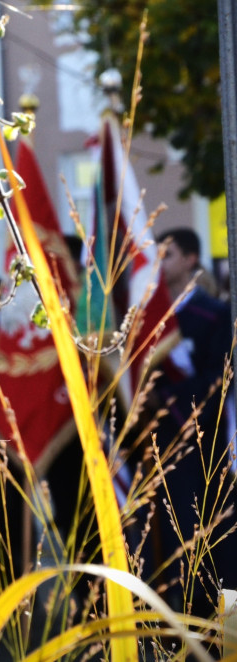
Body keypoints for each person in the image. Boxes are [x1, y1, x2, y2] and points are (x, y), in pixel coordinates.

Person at [147, 227, 235, 615]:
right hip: (166, 448)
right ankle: (193, 641)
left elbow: (219, 379)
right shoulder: (149, 318)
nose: (158, 262)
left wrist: (165, 398)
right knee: (180, 548)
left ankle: (228, 641)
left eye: (167, 254)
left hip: (210, 446)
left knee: (222, 550)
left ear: (190, 259)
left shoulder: (213, 315)